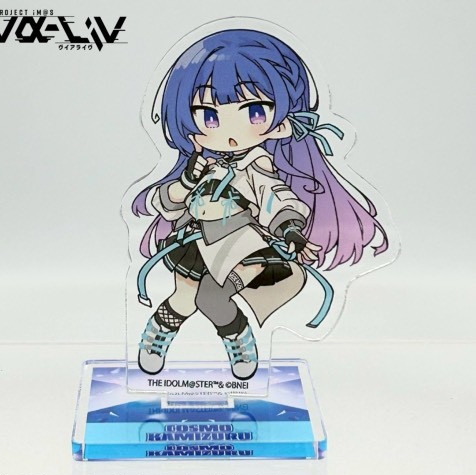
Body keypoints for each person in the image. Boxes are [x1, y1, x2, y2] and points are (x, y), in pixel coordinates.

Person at [132, 29, 388, 380]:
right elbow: (169, 204)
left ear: (280, 121)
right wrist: (188, 181)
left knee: (212, 298)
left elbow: (275, 195)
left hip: (242, 246)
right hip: (197, 241)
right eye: (209, 116)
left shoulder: (256, 164)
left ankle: (239, 340)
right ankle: (158, 335)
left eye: (254, 111)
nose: (229, 132)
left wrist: (290, 229)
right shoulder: (201, 165)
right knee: (184, 299)